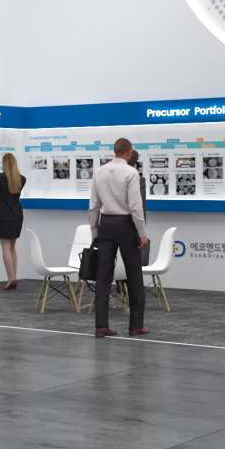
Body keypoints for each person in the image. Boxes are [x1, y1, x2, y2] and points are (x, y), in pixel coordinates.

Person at [89, 138, 149, 338]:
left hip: (106, 224)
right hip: (126, 225)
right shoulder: (131, 172)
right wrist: (142, 233)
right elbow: (135, 206)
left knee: (103, 277)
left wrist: (94, 232)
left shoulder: (99, 172)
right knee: (134, 275)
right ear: (129, 152)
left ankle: (101, 326)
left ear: (114, 151)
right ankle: (135, 326)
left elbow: (93, 206)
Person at [0, 152, 26, 290]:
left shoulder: (0, 177)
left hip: (4, 215)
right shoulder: (22, 179)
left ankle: (11, 279)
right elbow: (16, 195)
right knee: (12, 247)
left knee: (5, 248)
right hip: (17, 216)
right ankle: (13, 278)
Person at [125, 150, 150, 267]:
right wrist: (142, 231)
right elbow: (140, 206)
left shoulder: (110, 176)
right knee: (133, 264)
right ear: (135, 162)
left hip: (110, 224)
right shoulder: (139, 179)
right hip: (132, 225)